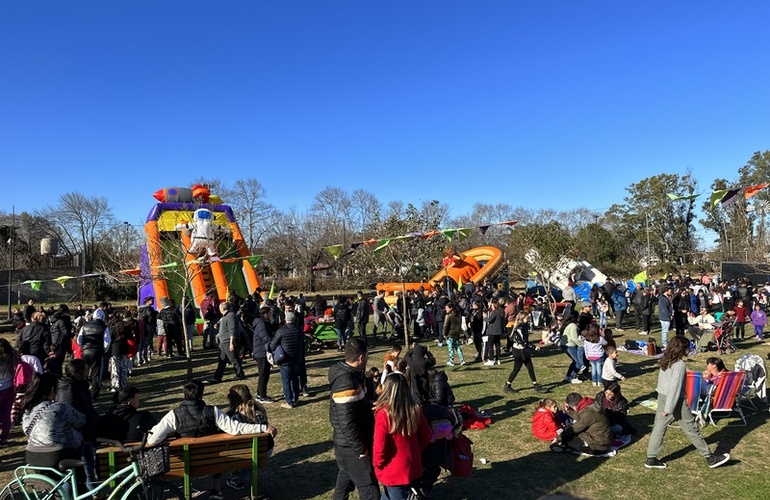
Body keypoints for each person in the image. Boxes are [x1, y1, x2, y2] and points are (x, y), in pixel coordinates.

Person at [146, 380, 277, 500]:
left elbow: (152, 440)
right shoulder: (213, 411)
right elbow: (235, 428)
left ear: (184, 395)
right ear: (201, 394)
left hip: (186, 463)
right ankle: (216, 489)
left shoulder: (173, 415)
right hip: (213, 461)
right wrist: (262, 427)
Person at [644, 336, 730, 469]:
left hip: (662, 397)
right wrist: (669, 408)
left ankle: (651, 458)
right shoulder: (679, 364)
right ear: (681, 349)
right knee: (692, 429)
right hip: (675, 401)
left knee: (659, 428)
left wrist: (700, 374)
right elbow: (675, 388)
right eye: (687, 347)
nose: (689, 349)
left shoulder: (667, 360)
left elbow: (681, 374)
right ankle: (710, 458)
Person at [329, 338, 379, 500]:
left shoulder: (353, 376)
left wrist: (369, 404)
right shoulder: (346, 382)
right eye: (367, 355)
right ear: (361, 357)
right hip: (352, 449)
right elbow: (346, 422)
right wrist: (361, 449)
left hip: (347, 447)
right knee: (370, 492)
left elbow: (354, 406)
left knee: (343, 487)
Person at [372, 374, 432, 500]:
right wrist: (416, 450)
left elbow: (379, 445)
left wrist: (377, 463)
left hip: (392, 468)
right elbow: (426, 435)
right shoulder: (414, 409)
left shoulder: (384, 413)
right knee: (389, 496)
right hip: (411, 464)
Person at [22, 373, 86, 489]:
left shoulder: (28, 410)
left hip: (32, 455)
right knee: (79, 438)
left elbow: (26, 430)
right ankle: (83, 485)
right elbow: (81, 421)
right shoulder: (60, 407)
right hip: (56, 456)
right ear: (53, 389)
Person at [224, 384, 276, 491]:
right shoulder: (257, 408)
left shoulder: (232, 415)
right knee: (253, 454)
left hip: (246, 451)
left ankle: (237, 477)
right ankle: (238, 475)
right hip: (265, 448)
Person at [503, 312, 547, 394]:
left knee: (530, 367)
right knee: (516, 369)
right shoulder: (520, 328)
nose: (528, 319)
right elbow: (524, 342)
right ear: (522, 318)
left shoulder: (523, 326)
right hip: (519, 351)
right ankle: (507, 386)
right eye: (527, 318)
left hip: (522, 350)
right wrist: (534, 347)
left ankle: (535, 385)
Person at [269, 311, 304, 409]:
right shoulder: (299, 330)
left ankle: (289, 401)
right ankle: (296, 398)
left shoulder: (281, 330)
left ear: (285, 319)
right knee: (295, 379)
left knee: (286, 381)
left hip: (285, 359)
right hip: (296, 357)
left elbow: (273, 344)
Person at [76, 311, 111, 400]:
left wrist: (83, 348)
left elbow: (79, 339)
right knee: (96, 374)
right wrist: (104, 350)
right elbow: (107, 341)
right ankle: (94, 394)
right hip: (97, 352)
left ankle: (83, 390)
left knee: (83, 372)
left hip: (85, 352)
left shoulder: (85, 326)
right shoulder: (104, 327)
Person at [211, 302, 247, 383]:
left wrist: (231, 343)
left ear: (223, 308)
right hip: (223, 342)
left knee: (233, 359)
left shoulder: (230, 316)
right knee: (222, 359)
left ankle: (240, 374)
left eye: (220, 308)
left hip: (228, 341)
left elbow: (232, 330)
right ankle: (217, 377)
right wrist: (218, 327)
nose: (219, 310)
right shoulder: (224, 316)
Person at [108, 311, 136, 393]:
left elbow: (110, 340)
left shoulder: (112, 330)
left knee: (115, 369)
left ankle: (115, 385)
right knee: (123, 368)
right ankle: (123, 384)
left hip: (115, 350)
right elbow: (130, 337)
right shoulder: (126, 328)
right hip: (124, 349)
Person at [251, 306, 274, 403]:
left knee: (264, 373)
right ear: (265, 314)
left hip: (262, 351)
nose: (271, 315)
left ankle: (260, 393)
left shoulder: (264, 323)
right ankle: (262, 395)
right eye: (270, 313)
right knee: (263, 374)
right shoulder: (261, 324)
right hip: (261, 352)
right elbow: (266, 338)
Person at [48, 304, 73, 377]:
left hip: (54, 341)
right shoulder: (62, 320)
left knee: (56, 360)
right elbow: (65, 332)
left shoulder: (55, 319)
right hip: (60, 342)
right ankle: (58, 376)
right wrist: (73, 334)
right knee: (59, 360)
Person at [560, 313, 584, 384]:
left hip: (564, 345)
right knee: (578, 362)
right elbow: (574, 338)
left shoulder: (569, 325)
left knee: (574, 361)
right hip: (570, 346)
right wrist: (582, 345)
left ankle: (568, 376)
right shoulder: (573, 326)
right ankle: (574, 377)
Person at [442, 302, 465, 367]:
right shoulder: (458, 314)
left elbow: (446, 325)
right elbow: (460, 323)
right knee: (457, 347)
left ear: (451, 308)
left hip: (450, 333)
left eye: (447, 308)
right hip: (457, 333)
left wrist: (444, 333)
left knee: (450, 348)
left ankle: (451, 361)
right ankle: (462, 360)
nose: (445, 309)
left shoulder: (448, 316)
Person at [483, 300, 504, 366]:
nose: (491, 306)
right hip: (498, 331)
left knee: (490, 345)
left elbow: (489, 320)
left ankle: (491, 359)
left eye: (492, 305)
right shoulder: (500, 312)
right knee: (497, 345)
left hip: (492, 331)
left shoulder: (495, 313)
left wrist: (485, 317)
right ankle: (498, 359)